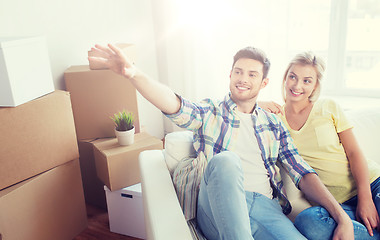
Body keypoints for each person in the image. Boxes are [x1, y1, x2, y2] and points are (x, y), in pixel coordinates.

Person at [88, 44, 354, 239]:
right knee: (226, 161)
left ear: (264, 83)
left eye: (252, 74)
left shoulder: (274, 123)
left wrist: (343, 217)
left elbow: (303, 172)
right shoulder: (210, 112)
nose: (243, 79)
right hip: (216, 205)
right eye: (238, 71)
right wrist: (134, 74)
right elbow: (173, 104)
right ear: (230, 75)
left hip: (265, 208)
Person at [261, 51, 380, 239]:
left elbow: (354, 152)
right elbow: (238, 108)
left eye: (307, 81)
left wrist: (366, 199)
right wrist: (258, 102)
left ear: (315, 85)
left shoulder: (328, 106)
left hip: (372, 186)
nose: (297, 85)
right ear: (285, 78)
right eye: (292, 77)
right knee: (307, 222)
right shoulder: (275, 119)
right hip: (336, 205)